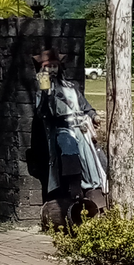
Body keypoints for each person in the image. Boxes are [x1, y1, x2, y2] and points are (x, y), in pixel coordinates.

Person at [25, 46, 109, 227]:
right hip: (62, 128)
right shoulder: (43, 90)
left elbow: (85, 106)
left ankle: (95, 195)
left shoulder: (72, 87)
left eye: (55, 66)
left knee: (92, 158)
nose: (52, 70)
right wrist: (46, 91)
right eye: (48, 67)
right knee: (68, 147)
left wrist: (94, 115)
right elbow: (41, 113)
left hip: (81, 128)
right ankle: (74, 188)